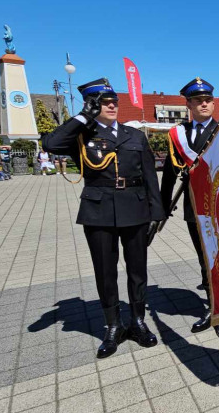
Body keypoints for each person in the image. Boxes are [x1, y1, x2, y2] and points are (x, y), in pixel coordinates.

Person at [43, 78, 164, 358]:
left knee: (137, 270)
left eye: (113, 101)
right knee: (105, 272)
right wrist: (84, 115)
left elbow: (149, 176)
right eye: (102, 102)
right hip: (98, 211)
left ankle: (137, 321)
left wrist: (155, 213)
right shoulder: (81, 134)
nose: (111, 105)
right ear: (92, 104)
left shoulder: (134, 135)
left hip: (135, 209)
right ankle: (113, 326)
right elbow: (51, 143)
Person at [160, 77, 219, 338]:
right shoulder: (180, 134)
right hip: (194, 206)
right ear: (188, 104)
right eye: (198, 101)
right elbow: (169, 172)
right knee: (205, 258)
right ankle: (214, 307)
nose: (204, 104)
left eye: (208, 101)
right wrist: (162, 205)